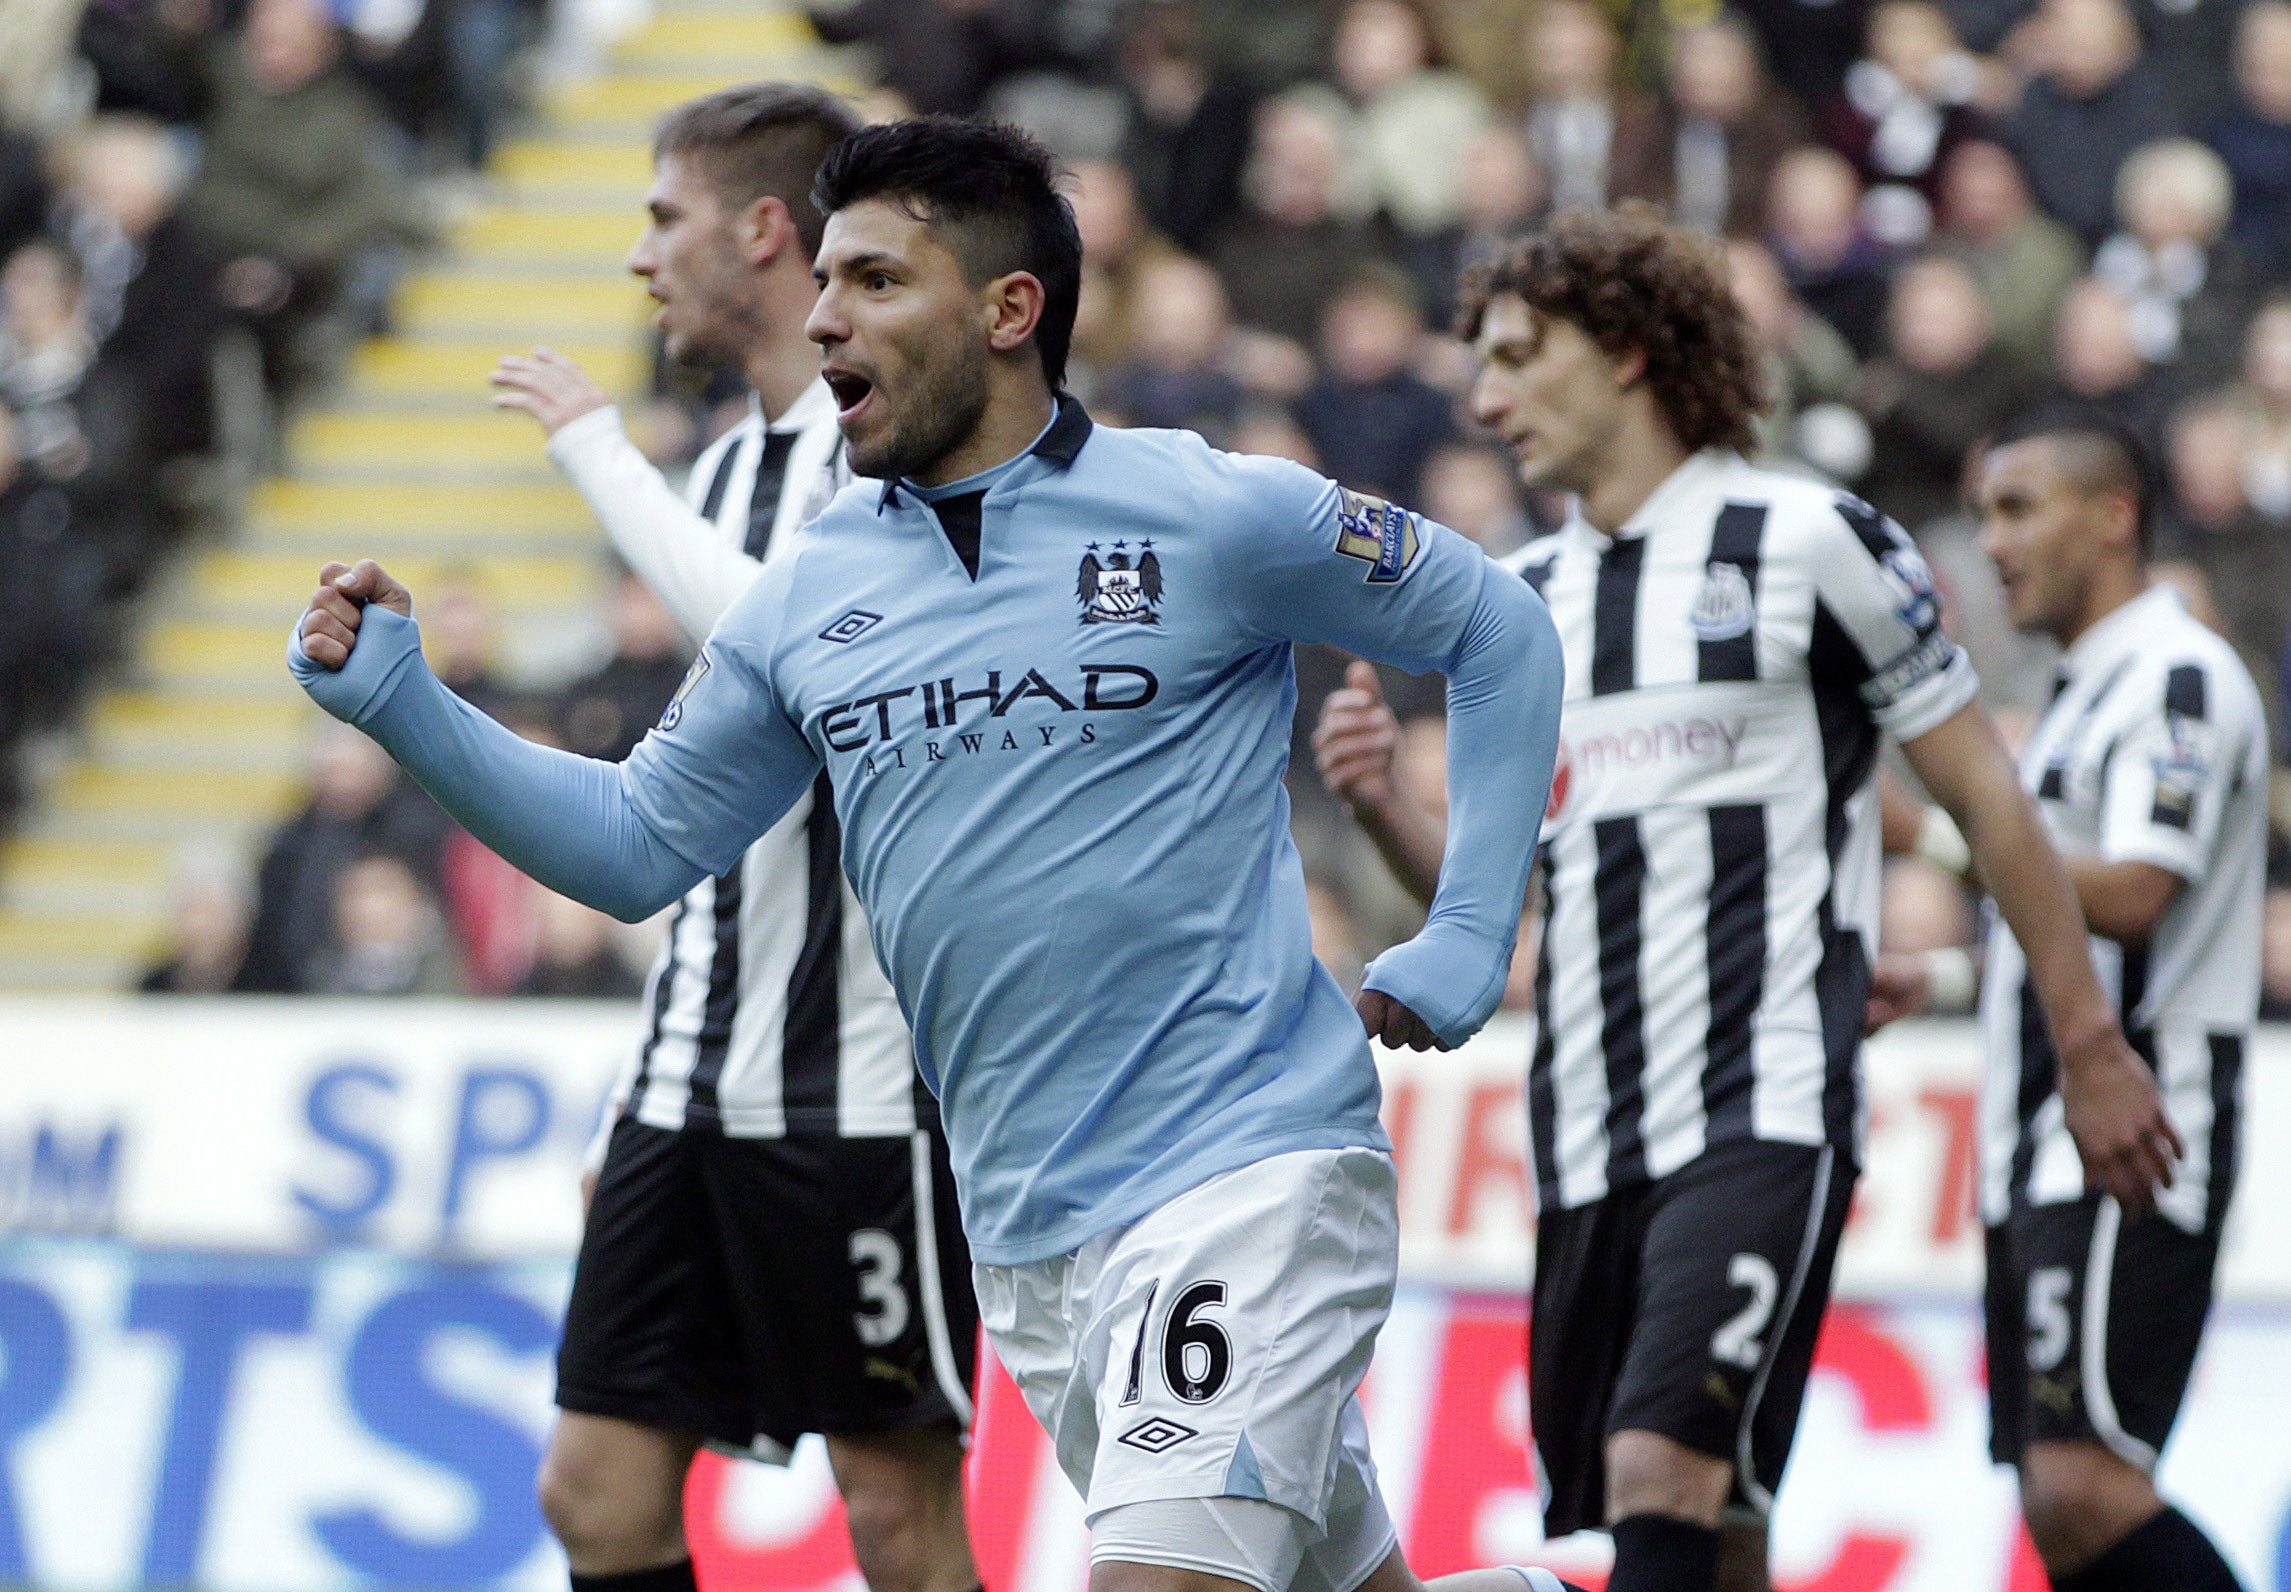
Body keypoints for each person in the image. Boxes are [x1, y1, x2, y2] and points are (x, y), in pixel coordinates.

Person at [295, 115, 1583, 1592]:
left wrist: (1472, 931)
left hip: (1248, 1172)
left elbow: (1492, 626)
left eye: (875, 282)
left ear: (1007, 310)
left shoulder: (1206, 508)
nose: (825, 315)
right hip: (1028, 1232)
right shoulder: (808, 596)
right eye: (824, 280)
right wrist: (406, 703)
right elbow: (641, 841)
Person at [1312, 209, 2177, 1592]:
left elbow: (1985, 804)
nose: (1484, 400)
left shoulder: (1809, 539)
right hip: (1585, 1126)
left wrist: (2085, 1044)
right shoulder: (1516, 602)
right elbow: (1494, 891)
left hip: (1762, 1104)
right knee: (1707, 1529)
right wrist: (1379, 806)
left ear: (1631, 354)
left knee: (1661, 1473)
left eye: (1520, 359)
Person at [487, 85, 984, 1592]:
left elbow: (795, 653)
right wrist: (629, 1095)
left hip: (862, 1079)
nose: (643, 262)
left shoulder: (891, 453)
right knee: (597, 1493)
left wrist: (593, 450)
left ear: (764, 230)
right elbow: (691, 803)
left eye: (663, 219)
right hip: (694, 1066)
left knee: (895, 1517)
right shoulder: (717, 475)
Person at [1886, 409, 2264, 1592]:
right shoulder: (2082, 692)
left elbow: (2139, 894)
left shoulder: (2177, 675)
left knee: (2083, 1484)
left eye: (2014, 507)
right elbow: (2056, 913)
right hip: (2039, 1135)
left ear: (2112, 516)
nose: (1988, 542)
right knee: (2055, 1501)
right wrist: (1945, 976)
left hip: (2131, 1126)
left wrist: (1944, 843)